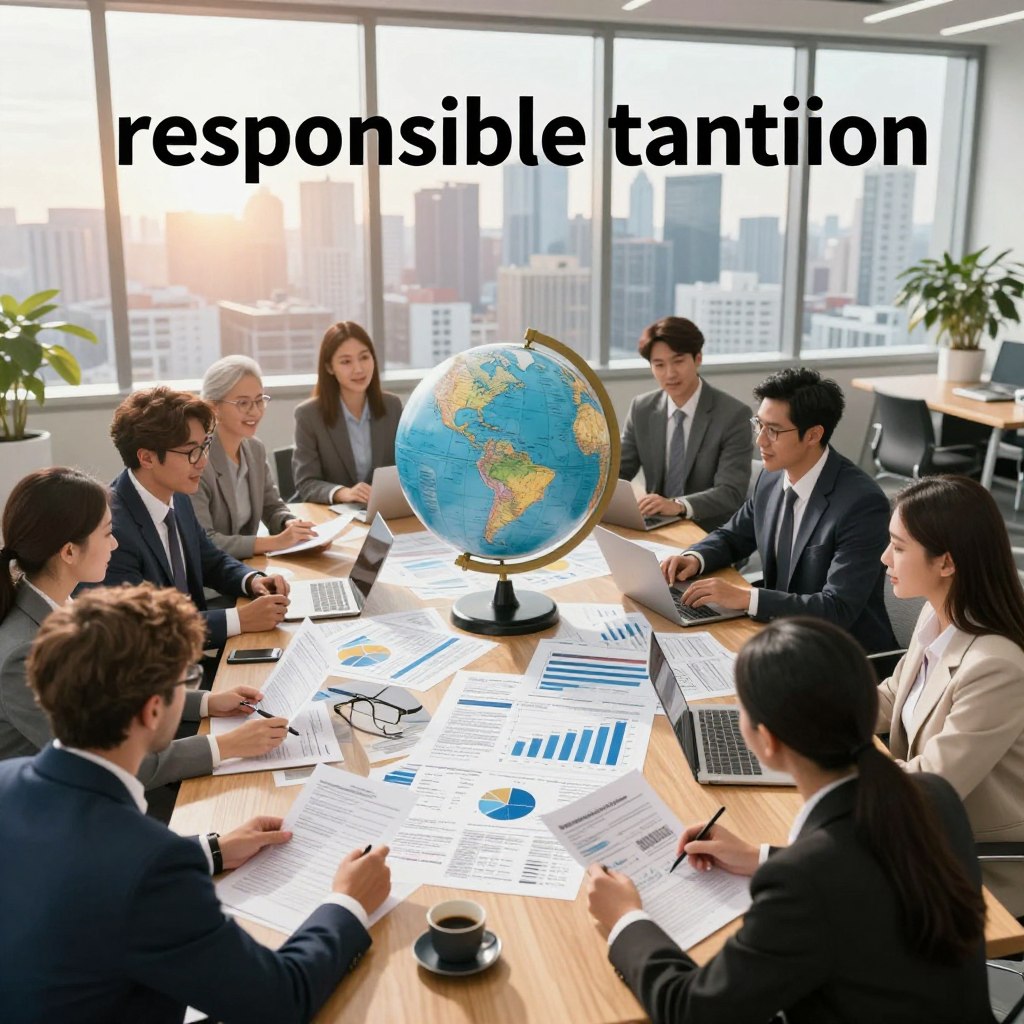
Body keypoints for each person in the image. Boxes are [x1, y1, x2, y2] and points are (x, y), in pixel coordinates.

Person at [0, 583, 391, 1024]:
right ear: (152, 711)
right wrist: (347, 903)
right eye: (184, 680)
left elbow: (76, 869)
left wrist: (212, 849)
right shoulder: (150, 864)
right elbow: (278, 999)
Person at [587, 618, 990, 1024]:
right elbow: (862, 874)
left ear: (768, 741)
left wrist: (626, 918)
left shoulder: (804, 882)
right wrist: (760, 856)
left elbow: (694, 1010)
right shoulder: (934, 795)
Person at [0, 468, 288, 784]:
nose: (115, 545)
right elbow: (103, 762)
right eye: (108, 533)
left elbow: (116, 698)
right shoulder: (22, 653)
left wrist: (208, 702)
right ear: (69, 551)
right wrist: (227, 745)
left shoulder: (65, 607)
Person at [661, 367, 896, 653]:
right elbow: (734, 536)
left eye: (773, 430)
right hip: (777, 635)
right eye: (759, 425)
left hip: (838, 656)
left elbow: (837, 607)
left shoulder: (861, 504)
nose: (760, 441)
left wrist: (747, 598)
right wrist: (694, 558)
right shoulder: (772, 477)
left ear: (813, 435)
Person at [878, 474, 1024, 916]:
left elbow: (934, 785)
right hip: (920, 827)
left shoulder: (995, 666)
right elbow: (890, 697)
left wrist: (839, 771)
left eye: (899, 548)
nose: (886, 558)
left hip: (975, 857)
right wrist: (810, 722)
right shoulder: (938, 613)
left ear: (946, 563)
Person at [100, 386, 291, 650]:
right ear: (146, 457)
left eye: (205, 446)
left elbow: (209, 559)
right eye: (191, 451)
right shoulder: (112, 531)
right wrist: (239, 619)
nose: (202, 462)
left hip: (196, 652)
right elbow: (142, 628)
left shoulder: (176, 494)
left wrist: (253, 580)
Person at [619, 317, 752, 530]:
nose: (670, 374)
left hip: (711, 533)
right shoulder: (642, 408)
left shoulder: (733, 415)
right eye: (659, 365)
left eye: (678, 361)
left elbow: (731, 492)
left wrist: (678, 505)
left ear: (697, 358)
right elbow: (620, 472)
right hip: (657, 526)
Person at [192, 355, 317, 558]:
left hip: (248, 567)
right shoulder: (197, 460)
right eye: (243, 403)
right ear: (213, 407)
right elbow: (205, 541)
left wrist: (288, 523)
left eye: (259, 401)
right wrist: (275, 542)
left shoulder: (254, 449)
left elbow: (272, 506)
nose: (255, 411)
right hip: (211, 580)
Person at [293, 322, 403, 505]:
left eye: (364, 357)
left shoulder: (392, 407)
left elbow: (405, 469)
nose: (358, 369)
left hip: (380, 513)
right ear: (329, 367)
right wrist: (343, 493)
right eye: (346, 361)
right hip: (331, 518)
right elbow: (306, 483)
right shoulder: (308, 415)